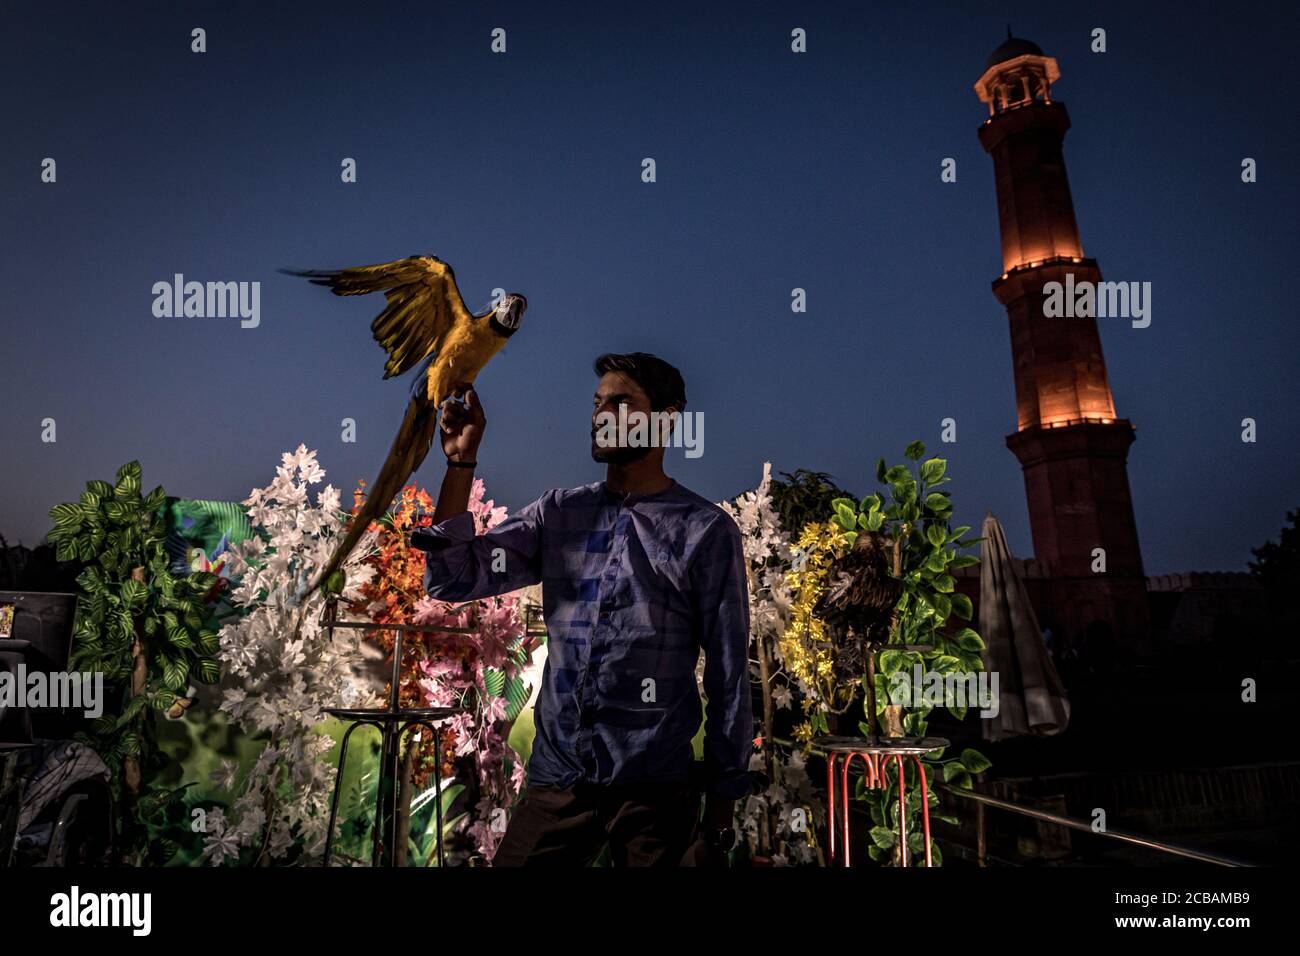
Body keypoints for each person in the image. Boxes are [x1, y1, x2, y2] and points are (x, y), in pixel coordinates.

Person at [411, 352, 753, 866]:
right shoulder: (559, 515)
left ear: (667, 417)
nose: (600, 416)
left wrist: (719, 827)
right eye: (597, 404)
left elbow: (729, 680)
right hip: (558, 783)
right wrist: (460, 463)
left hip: (654, 794)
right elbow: (452, 576)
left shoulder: (704, 531)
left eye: (620, 403)